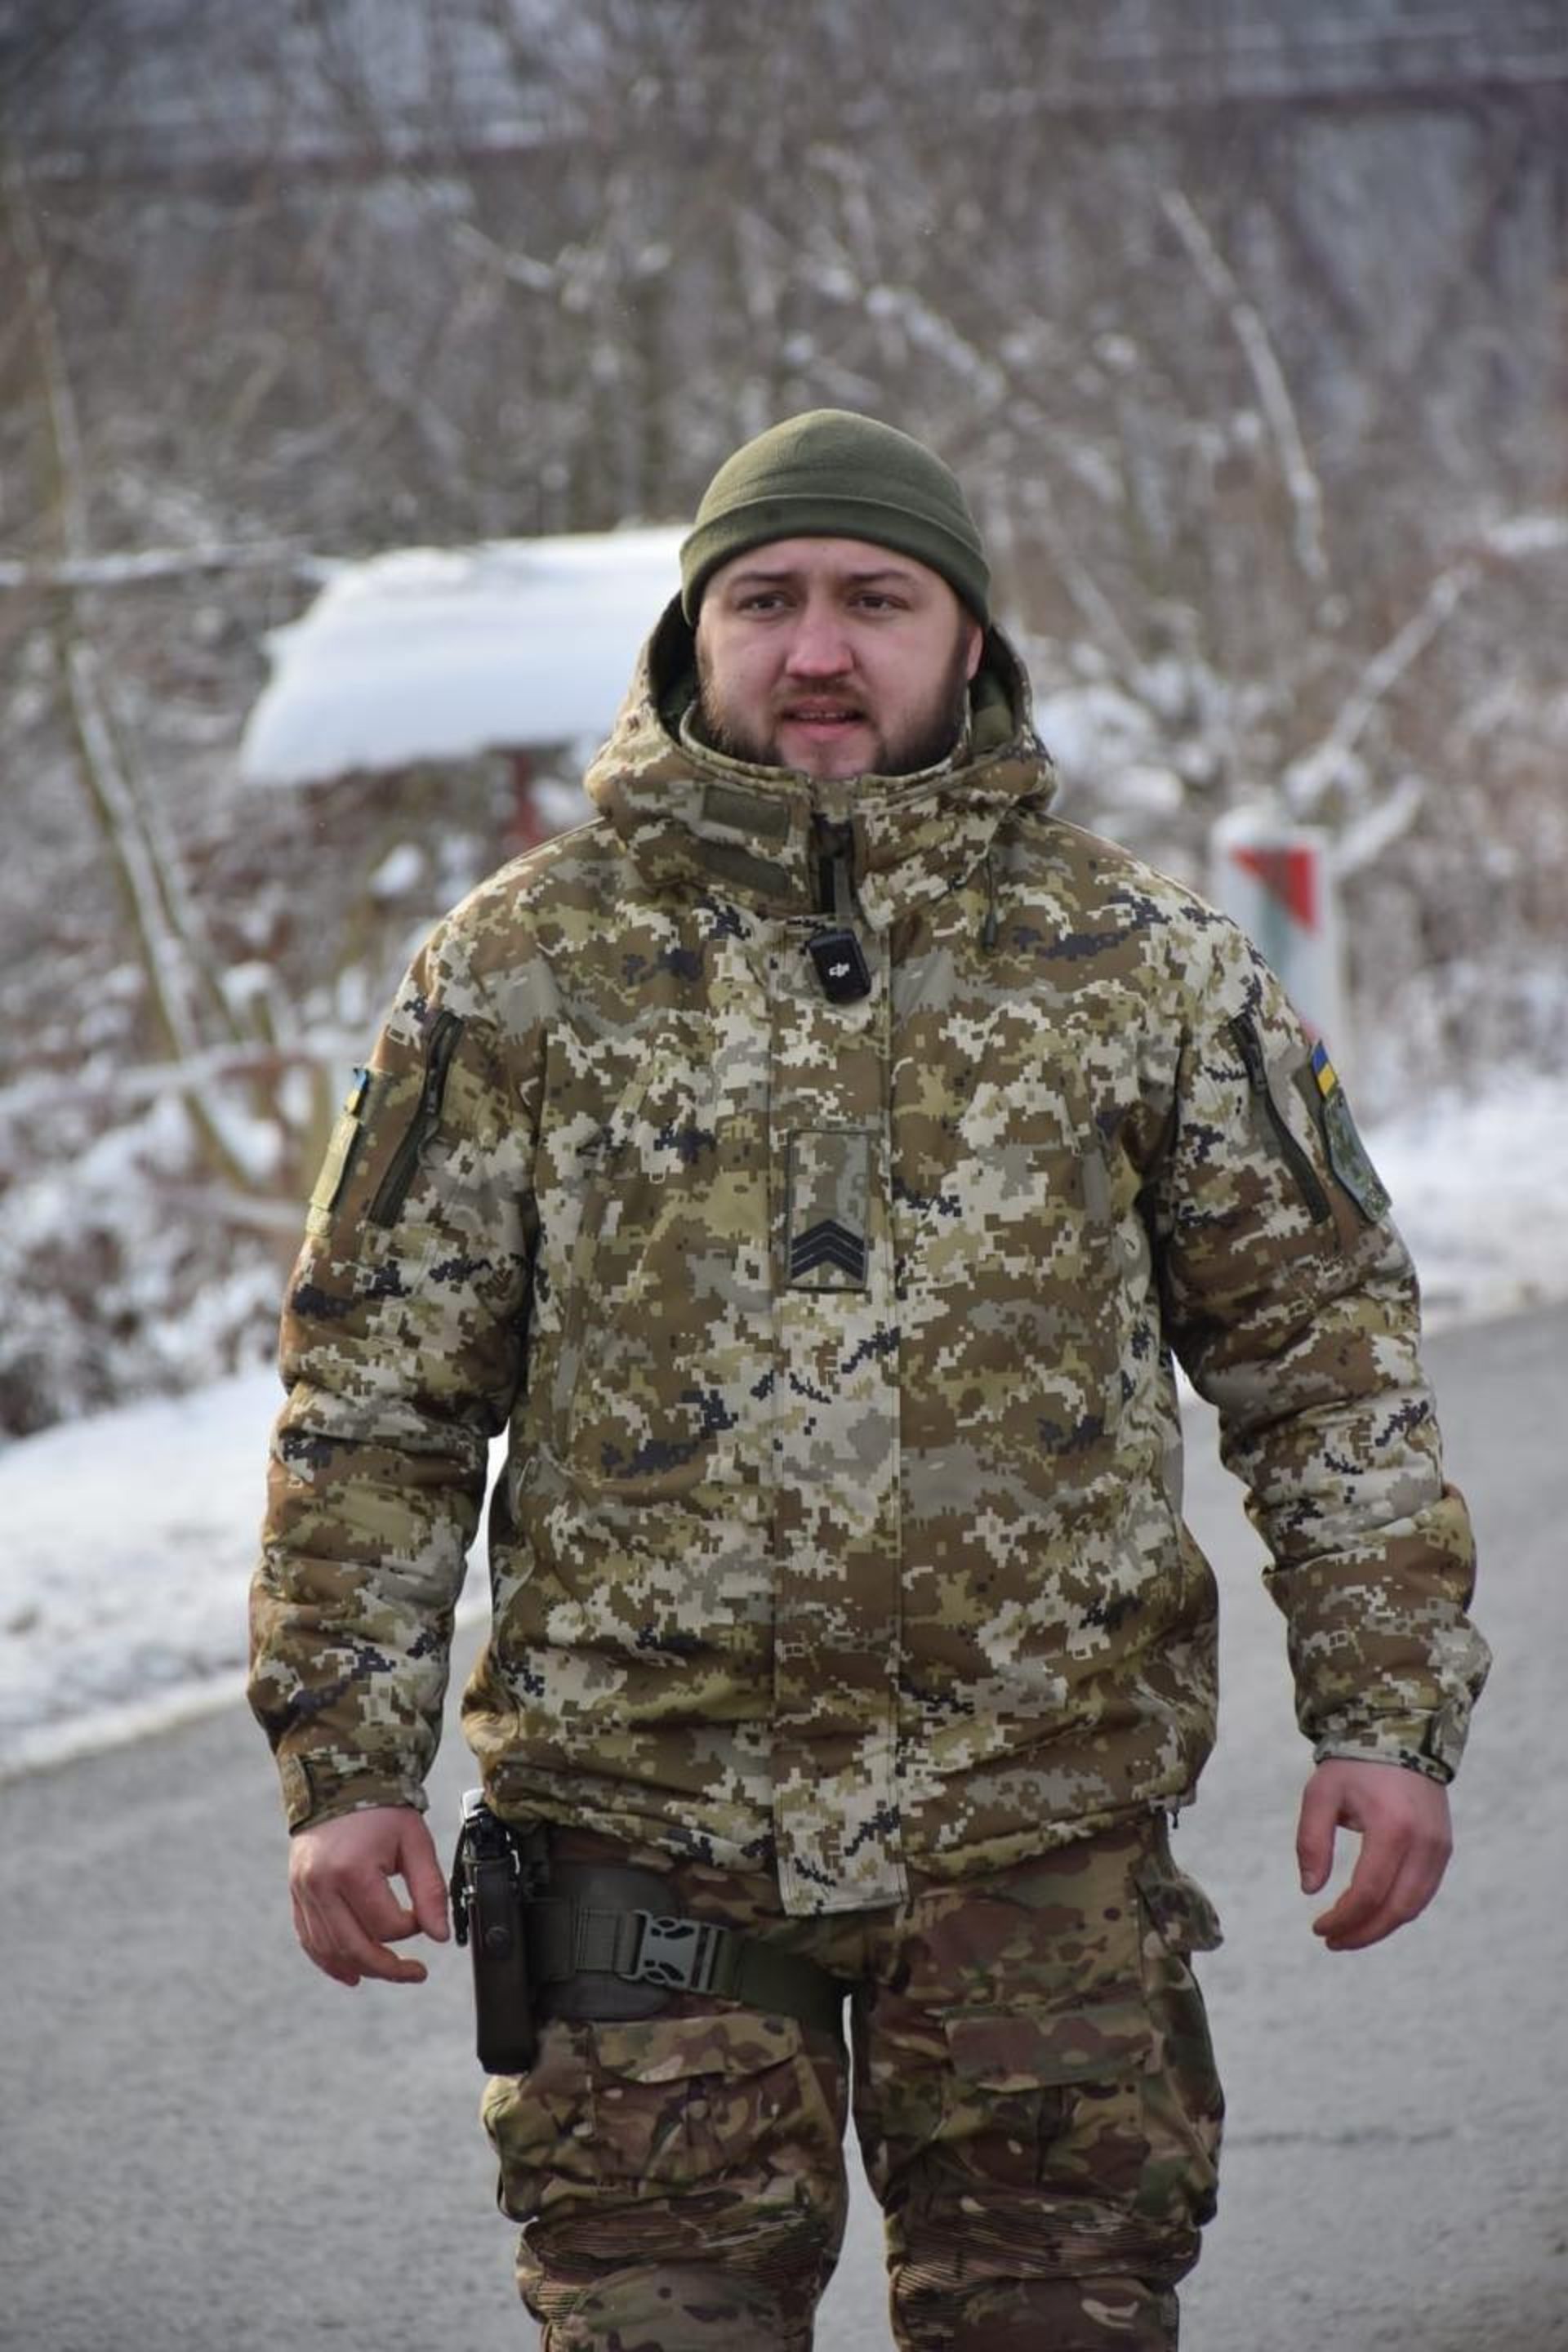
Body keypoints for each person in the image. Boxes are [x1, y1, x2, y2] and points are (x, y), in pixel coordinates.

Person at [250, 409, 1489, 2350]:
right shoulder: (517, 974)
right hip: (641, 1845)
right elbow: (378, 1399)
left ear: (968, 636)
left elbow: (1325, 1366)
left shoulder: (1144, 967)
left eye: (875, 600)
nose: (818, 648)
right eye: (767, 599)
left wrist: (1387, 1716)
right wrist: (345, 1766)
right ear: (696, 631)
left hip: (1037, 1850)